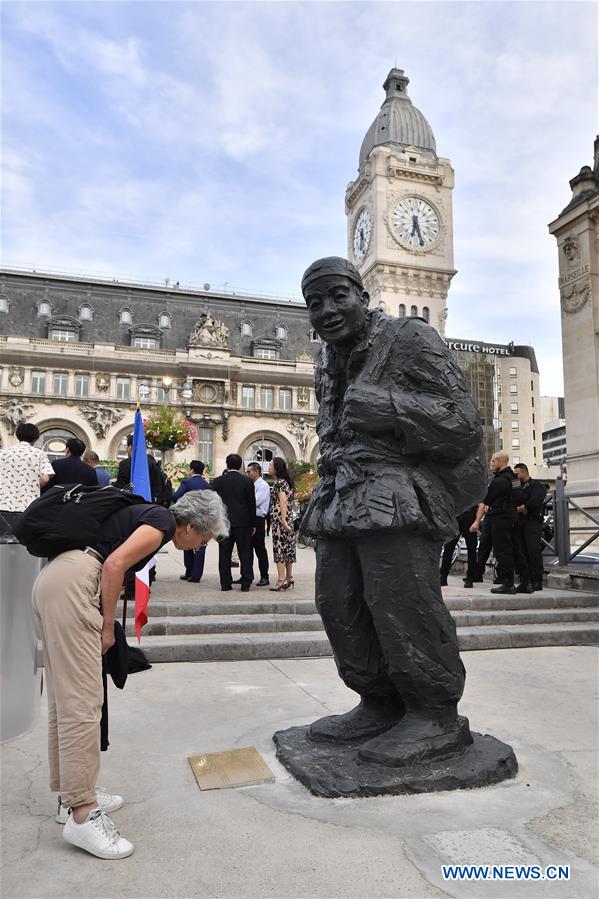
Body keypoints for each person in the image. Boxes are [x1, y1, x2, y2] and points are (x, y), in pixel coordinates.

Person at [298, 256, 485, 766]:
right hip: (340, 494)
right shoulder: (325, 359)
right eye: (315, 303)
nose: (328, 310)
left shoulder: (409, 338)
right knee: (339, 603)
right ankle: (377, 701)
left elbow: (463, 423)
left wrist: (390, 407)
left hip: (395, 495)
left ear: (362, 294)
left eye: (338, 296)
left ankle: (433, 713)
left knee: (400, 601)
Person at [33, 489, 229, 860]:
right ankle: (82, 813)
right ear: (188, 526)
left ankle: (72, 794)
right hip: (76, 584)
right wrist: (107, 626)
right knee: (83, 704)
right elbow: (113, 565)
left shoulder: (149, 516)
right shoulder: (160, 523)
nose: (197, 547)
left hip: (57, 579)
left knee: (66, 700)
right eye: (202, 540)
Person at [472, 451, 518, 595]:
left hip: (499, 517)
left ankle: (508, 583)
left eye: (492, 461)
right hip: (510, 516)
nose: (491, 464)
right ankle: (507, 581)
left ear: (499, 461)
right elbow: (520, 496)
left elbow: (487, 498)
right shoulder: (514, 478)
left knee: (501, 550)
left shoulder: (498, 481)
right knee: (506, 549)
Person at [211, 454, 256, 592]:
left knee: (224, 553)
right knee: (245, 553)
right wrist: (253, 523)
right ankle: (246, 582)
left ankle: (225, 583)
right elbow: (251, 504)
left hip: (224, 523)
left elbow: (214, 504)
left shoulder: (218, 482)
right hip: (243, 522)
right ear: (240, 465)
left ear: (227, 464)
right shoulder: (247, 482)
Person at [0, 421, 54, 534]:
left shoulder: (3, 453)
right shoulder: (39, 454)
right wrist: (32, 485)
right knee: (22, 542)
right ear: (35, 438)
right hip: (28, 505)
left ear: (18, 435)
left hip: (3, 503)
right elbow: (45, 478)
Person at [172, 460, 211, 582]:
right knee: (201, 545)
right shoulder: (207, 485)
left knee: (188, 544)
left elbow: (175, 496)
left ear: (192, 470)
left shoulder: (187, 483)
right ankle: (196, 575)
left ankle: (189, 571)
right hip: (204, 517)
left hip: (188, 518)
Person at [513, 462, 547, 592]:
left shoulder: (536, 485)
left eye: (517, 473)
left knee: (533, 550)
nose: (515, 476)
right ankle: (525, 579)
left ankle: (537, 580)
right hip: (520, 522)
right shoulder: (517, 486)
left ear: (523, 472)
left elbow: (535, 500)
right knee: (521, 551)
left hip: (532, 521)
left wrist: (524, 507)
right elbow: (514, 499)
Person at [268, 457, 296, 591]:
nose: (268, 468)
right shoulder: (287, 483)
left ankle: (280, 579)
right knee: (288, 548)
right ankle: (289, 577)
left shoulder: (279, 483)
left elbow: (282, 501)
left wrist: (283, 520)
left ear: (276, 468)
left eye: (270, 465)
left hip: (281, 521)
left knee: (279, 548)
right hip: (289, 519)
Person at [439, 505, 479, 588]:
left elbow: (481, 502)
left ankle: (470, 578)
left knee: (471, 549)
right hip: (455, 514)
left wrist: (477, 521)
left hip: (469, 514)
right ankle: (443, 576)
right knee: (449, 547)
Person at [113, 434, 162, 501]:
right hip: (151, 503)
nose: (126, 450)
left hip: (132, 503)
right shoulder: (153, 463)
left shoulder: (125, 464)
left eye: (126, 447)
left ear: (130, 447)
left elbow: (120, 487)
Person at [245, 462, 270, 586]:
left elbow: (256, 501)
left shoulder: (263, 485)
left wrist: (244, 503)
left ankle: (264, 576)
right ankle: (247, 576)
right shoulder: (249, 484)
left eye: (249, 471)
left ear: (256, 471)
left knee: (259, 549)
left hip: (258, 519)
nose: (247, 474)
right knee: (247, 549)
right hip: (249, 518)